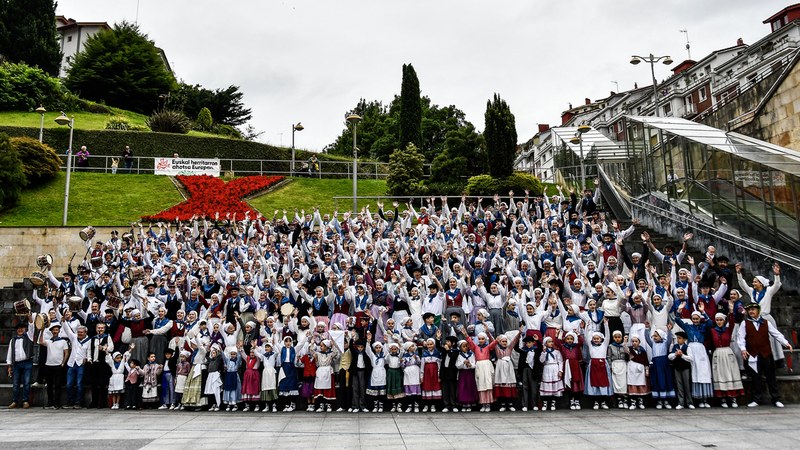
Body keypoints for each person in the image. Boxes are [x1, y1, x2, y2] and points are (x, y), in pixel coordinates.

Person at [737, 302, 792, 408]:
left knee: (771, 377)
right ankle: (756, 399)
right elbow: (741, 338)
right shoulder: (745, 323)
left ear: (758, 310)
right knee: (755, 378)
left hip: (766, 353)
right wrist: (743, 349)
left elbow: (776, 334)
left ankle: (776, 398)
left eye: (753, 309)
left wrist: (786, 343)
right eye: (750, 310)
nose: (751, 311)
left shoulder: (766, 322)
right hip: (753, 354)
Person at [39, 322, 70, 409]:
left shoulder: (63, 341)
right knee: (49, 385)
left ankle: (57, 402)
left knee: (57, 385)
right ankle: (50, 402)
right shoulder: (48, 341)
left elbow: (66, 352)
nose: (55, 331)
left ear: (59, 331)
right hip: (48, 365)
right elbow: (40, 342)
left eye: (57, 330)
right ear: (51, 331)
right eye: (54, 330)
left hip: (58, 365)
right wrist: (41, 331)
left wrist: (63, 362)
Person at [7, 315, 35, 409]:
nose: (20, 330)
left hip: (27, 362)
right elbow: (10, 353)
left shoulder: (29, 336)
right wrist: (9, 365)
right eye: (18, 328)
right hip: (16, 364)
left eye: (22, 328)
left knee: (26, 382)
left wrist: (29, 317)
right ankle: (15, 401)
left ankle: (25, 401)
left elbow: (31, 326)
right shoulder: (13, 340)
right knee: (15, 384)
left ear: (25, 329)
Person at [668, 331, 693, 409]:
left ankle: (689, 402)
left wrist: (682, 355)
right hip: (677, 368)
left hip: (685, 368)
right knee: (679, 386)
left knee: (687, 385)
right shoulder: (675, 347)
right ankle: (681, 403)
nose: (678, 340)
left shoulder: (687, 347)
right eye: (677, 338)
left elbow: (691, 358)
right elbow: (670, 356)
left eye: (680, 338)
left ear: (684, 339)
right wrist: (676, 354)